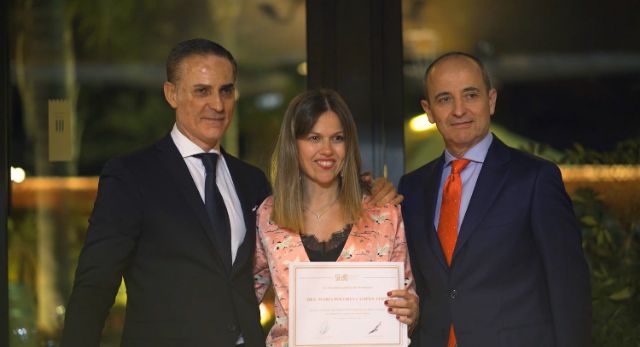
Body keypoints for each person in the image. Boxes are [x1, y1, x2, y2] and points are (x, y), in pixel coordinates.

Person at [60, 39, 399, 347]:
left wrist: (365, 187)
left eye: (226, 90)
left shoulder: (251, 183)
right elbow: (95, 286)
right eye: (202, 91)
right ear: (171, 94)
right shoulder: (132, 175)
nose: (217, 104)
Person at [398, 52, 591, 347]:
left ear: (491, 101)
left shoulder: (535, 178)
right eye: (444, 99)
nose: (459, 110)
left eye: (470, 95)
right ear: (428, 110)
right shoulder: (411, 188)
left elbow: (568, 289)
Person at [253, 89, 419, 347]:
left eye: (337, 138)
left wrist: (411, 311)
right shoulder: (269, 215)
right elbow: (243, 298)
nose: (327, 150)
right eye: (314, 138)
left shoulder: (383, 212)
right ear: (293, 145)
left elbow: (406, 299)